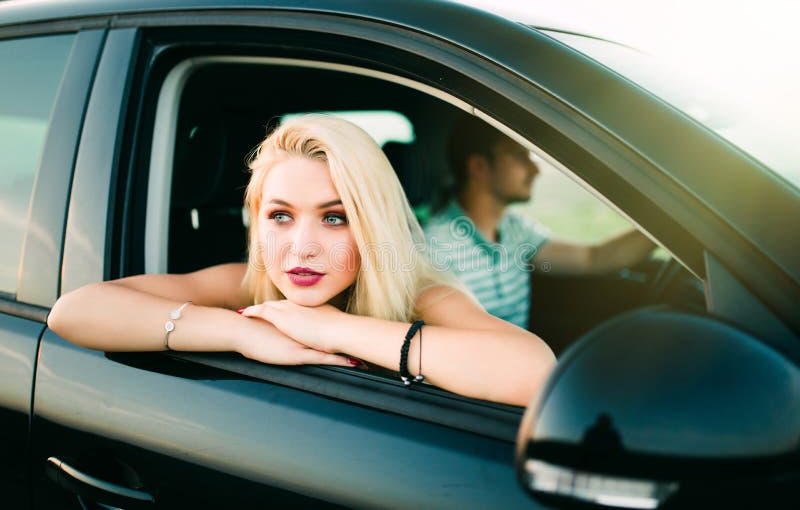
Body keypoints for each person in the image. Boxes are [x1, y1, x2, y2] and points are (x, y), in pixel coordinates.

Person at [47, 114, 555, 407]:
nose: (301, 247)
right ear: (256, 221)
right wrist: (241, 332)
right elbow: (73, 312)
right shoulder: (249, 287)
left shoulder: (420, 292)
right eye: (281, 216)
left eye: (334, 218)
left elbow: (533, 373)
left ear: (372, 224)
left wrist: (333, 330)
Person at [424, 115, 656, 329]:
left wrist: (665, 231)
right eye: (518, 155)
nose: (535, 169)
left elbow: (593, 258)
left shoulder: (515, 228)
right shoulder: (434, 244)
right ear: (479, 167)